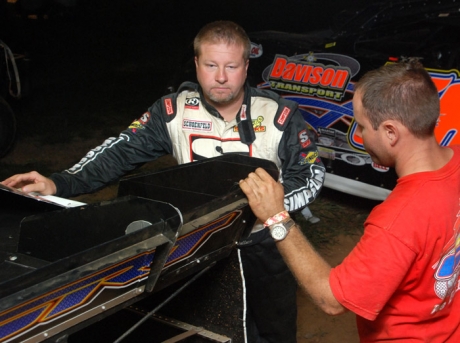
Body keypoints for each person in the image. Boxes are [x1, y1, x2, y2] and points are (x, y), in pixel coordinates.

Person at [2, 21, 325, 343]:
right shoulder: (172, 110)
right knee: (209, 329)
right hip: (201, 241)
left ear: (246, 67)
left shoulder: (279, 114)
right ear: (197, 64)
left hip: (265, 243)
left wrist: (274, 207)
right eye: (211, 65)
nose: (221, 76)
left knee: (274, 331)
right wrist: (59, 184)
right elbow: (119, 152)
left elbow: (311, 172)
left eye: (231, 66)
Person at [239, 59, 460, 342]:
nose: (358, 135)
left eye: (363, 126)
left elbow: (332, 299)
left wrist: (276, 217)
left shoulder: (397, 221)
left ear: (391, 133)